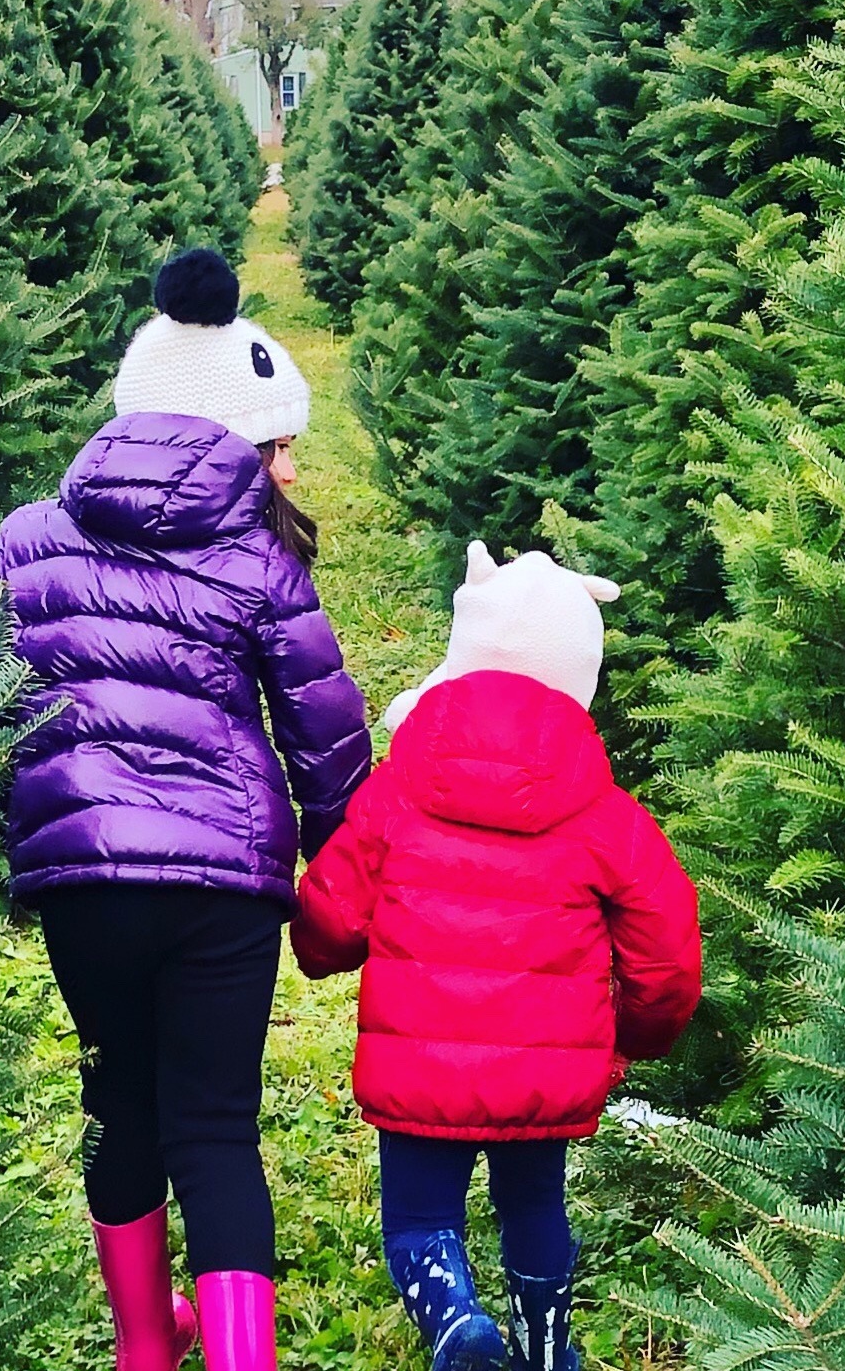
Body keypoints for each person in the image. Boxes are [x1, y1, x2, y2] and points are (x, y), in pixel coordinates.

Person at [0, 246, 370, 1371]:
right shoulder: (257, 552)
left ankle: (144, 1347)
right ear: (239, 435)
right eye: (280, 446)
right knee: (218, 1127)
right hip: (225, 884)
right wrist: (349, 856)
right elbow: (320, 726)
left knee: (115, 1100)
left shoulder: (31, 531)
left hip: (81, 871)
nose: (287, 468)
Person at [293, 543, 703, 1371]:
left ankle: (457, 1327)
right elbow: (668, 951)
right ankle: (548, 1349)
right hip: (546, 1071)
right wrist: (636, 1037)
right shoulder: (606, 812)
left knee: (418, 1221)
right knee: (535, 1209)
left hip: (419, 1067)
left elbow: (332, 909)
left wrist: (320, 951)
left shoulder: (400, 786)